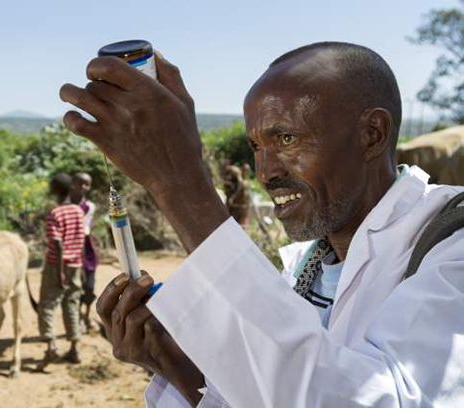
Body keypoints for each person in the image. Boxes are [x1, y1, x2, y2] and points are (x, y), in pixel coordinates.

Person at [59, 42, 464, 407]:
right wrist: (178, 367)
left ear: (372, 134)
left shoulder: (451, 246)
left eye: (286, 139)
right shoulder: (307, 268)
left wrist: (180, 184)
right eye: (256, 146)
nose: (265, 172)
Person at [37, 173, 86, 366]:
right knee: (71, 303)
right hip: (75, 263)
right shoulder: (78, 211)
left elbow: (57, 245)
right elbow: (81, 240)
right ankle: (75, 348)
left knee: (47, 304)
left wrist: (59, 272)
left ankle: (51, 348)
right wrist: (79, 266)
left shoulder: (55, 214)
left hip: (57, 265)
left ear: (55, 190)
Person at [70, 172, 100, 332]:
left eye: (86, 184)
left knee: (89, 286)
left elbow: (84, 228)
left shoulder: (89, 207)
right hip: (71, 251)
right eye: (79, 183)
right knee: (74, 287)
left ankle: (87, 315)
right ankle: (78, 318)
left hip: (86, 252)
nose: (82, 187)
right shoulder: (65, 205)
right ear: (72, 184)